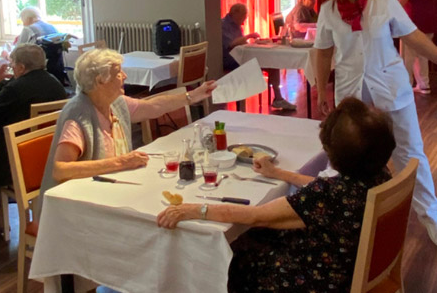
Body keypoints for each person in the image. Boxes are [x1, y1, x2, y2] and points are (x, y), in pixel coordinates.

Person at [157, 97, 396, 292]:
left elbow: (256, 216)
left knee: (234, 253)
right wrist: (279, 173)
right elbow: (324, 187)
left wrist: (195, 209)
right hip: (349, 263)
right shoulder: (378, 176)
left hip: (322, 280)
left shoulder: (326, 195)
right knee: (260, 235)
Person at [314, 0, 437, 246]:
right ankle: (350, 222)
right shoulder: (328, 10)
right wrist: (321, 92)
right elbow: (322, 51)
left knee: (410, 153)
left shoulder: (383, 0)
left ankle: (432, 218)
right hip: (351, 94)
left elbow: (412, 36)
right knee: (348, 156)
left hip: (390, 88)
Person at [39, 48, 216, 205]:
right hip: (75, 203)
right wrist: (121, 162)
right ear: (101, 81)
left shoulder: (115, 103)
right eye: (118, 73)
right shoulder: (79, 114)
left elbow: (152, 107)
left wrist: (192, 96)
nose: (124, 76)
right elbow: (60, 170)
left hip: (108, 190)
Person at [0, 44, 67, 234]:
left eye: (12, 66)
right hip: (49, 155)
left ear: (20, 67)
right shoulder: (55, 82)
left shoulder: (16, 88)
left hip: (22, 162)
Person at [222, 3, 296, 110]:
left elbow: (240, 43)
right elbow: (231, 44)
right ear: (235, 14)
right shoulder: (223, 25)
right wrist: (249, 36)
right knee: (267, 62)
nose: (244, 21)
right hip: (230, 60)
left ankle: (278, 98)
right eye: (243, 17)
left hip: (240, 56)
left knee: (272, 62)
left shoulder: (236, 24)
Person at [397, 0, 437, 94]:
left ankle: (405, 86)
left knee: (407, 56)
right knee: (423, 54)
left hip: (413, 25)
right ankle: (424, 84)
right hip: (429, 24)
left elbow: (399, 4)